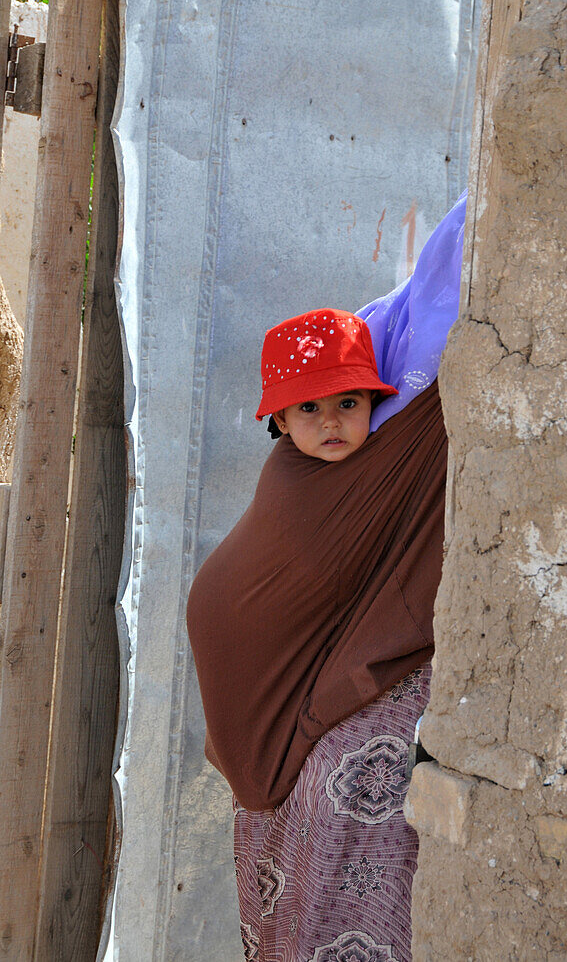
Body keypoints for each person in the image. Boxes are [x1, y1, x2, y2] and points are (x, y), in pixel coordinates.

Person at [187, 192, 467, 962]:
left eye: (349, 404)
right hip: (256, 658)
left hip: (294, 654)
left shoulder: (371, 459)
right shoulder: (295, 480)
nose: (333, 424)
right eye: (309, 410)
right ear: (278, 424)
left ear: (375, 405)